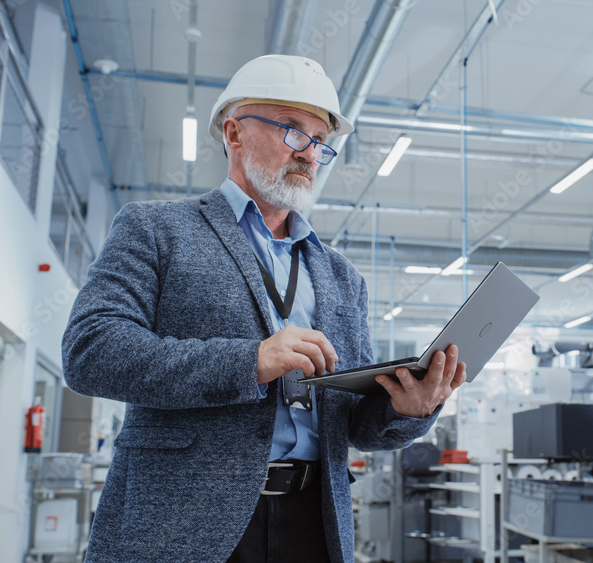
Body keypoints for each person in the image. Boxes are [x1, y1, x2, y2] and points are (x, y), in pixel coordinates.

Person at [61, 54, 466, 563]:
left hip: (315, 521)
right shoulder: (156, 229)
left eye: (321, 142)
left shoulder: (343, 278)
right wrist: (251, 360)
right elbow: (90, 351)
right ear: (234, 133)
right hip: (183, 521)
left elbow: (358, 424)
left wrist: (409, 407)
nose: (309, 153)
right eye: (293, 131)